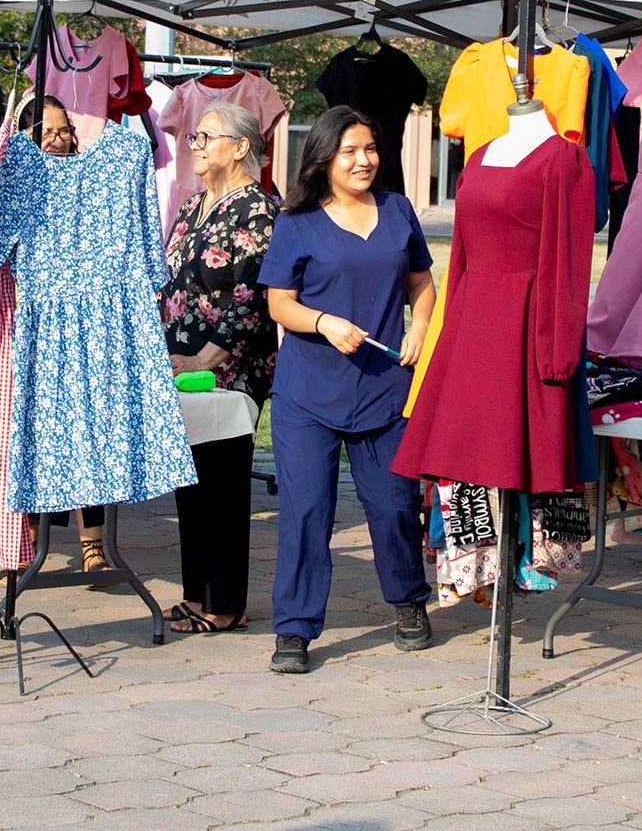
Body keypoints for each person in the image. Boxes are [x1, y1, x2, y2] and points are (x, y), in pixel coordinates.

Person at [259, 106, 438, 674]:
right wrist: (323, 322)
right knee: (308, 511)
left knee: (393, 507)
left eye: (371, 150)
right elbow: (279, 303)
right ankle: (294, 630)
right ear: (325, 158)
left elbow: (422, 283)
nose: (364, 161)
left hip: (383, 389)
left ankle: (408, 601)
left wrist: (419, 327)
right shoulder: (297, 222)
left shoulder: (397, 210)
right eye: (350, 152)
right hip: (307, 393)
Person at [160, 101, 277, 635]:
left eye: (207, 137)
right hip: (182, 366)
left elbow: (253, 296)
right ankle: (195, 594)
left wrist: (208, 357)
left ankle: (225, 603)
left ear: (241, 146)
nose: (197, 146)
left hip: (231, 370)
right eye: (194, 138)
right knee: (191, 482)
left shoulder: (260, 209)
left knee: (224, 486)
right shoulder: (189, 207)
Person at [14, 96, 111, 583]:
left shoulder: (92, 184)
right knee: (31, 435)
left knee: (87, 433)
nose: (60, 138)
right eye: (47, 131)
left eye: (65, 129)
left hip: (86, 327)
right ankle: (26, 541)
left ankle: (93, 546)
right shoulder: (17, 186)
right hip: (32, 327)